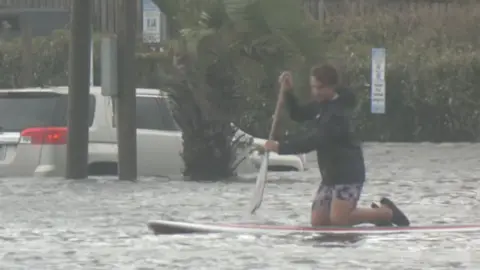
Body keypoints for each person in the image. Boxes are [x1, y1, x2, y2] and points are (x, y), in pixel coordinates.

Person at [263, 64, 410, 227]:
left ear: (331, 87)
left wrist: (281, 148)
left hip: (348, 174)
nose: (315, 92)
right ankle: (375, 216)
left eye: (320, 87)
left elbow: (316, 140)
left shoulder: (339, 113)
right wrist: (289, 92)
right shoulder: (321, 105)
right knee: (319, 223)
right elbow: (298, 114)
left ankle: (385, 213)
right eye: (313, 87)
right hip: (330, 175)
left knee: (339, 220)